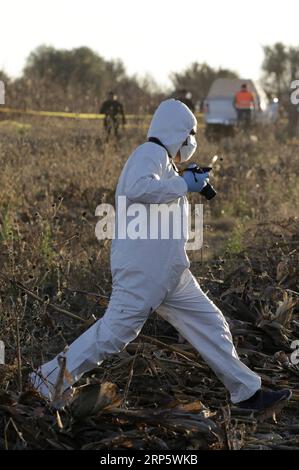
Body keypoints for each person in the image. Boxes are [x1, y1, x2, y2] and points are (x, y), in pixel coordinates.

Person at [31, 99, 291, 412]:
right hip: (143, 272)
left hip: (171, 273)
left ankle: (247, 393)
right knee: (114, 334)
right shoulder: (149, 153)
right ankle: (44, 382)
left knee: (211, 323)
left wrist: (181, 179)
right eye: (190, 133)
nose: (192, 140)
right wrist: (183, 183)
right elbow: (139, 189)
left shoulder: (164, 163)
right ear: (177, 130)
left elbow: (160, 198)